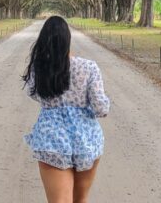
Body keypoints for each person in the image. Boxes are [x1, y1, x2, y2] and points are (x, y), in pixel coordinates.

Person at [22, 16, 110, 203]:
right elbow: (101, 108)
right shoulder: (89, 67)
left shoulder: (39, 69)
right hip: (86, 139)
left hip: (51, 139)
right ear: (68, 39)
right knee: (81, 200)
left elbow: (33, 93)